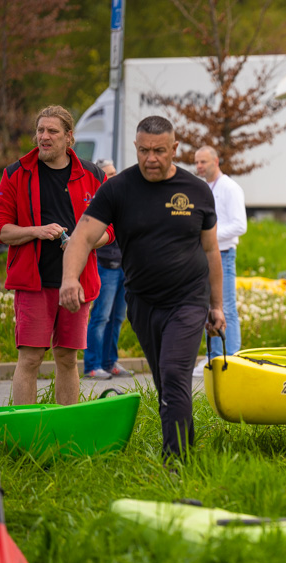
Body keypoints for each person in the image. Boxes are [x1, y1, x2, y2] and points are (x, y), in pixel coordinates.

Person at [59, 115, 225, 457]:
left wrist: (217, 305)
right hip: (143, 302)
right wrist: (69, 279)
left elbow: (210, 250)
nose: (151, 158)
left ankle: (174, 462)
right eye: (144, 150)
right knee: (167, 383)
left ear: (175, 148)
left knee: (173, 374)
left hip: (189, 299)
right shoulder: (118, 189)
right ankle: (186, 446)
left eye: (160, 151)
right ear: (135, 147)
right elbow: (81, 237)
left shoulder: (195, 190)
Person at [0, 105, 112, 406]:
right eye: (40, 131)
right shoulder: (16, 173)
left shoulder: (93, 175)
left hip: (77, 283)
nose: (44, 137)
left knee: (68, 358)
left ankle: (66, 431)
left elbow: (112, 230)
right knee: (30, 358)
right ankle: (26, 434)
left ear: (69, 136)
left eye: (52, 131)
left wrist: (83, 243)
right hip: (34, 282)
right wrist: (36, 231)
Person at [192, 145, 247, 376]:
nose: (199, 166)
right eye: (196, 162)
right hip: (205, 255)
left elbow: (239, 226)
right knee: (209, 308)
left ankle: (230, 357)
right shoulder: (204, 188)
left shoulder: (230, 188)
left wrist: (208, 235)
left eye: (203, 162)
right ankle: (213, 357)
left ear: (216, 161)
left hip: (223, 254)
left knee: (225, 307)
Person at [83, 159, 133, 380]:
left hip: (124, 266)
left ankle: (109, 362)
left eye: (114, 173)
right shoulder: (96, 202)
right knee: (100, 317)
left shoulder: (123, 197)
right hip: (104, 266)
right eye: (107, 174)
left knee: (117, 317)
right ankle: (92, 366)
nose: (113, 177)